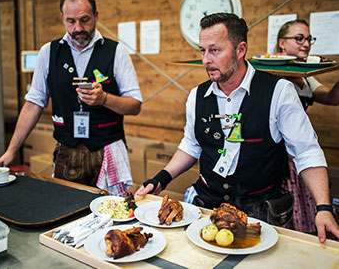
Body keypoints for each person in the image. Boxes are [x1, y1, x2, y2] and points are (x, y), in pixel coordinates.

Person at [136, 13, 339, 243]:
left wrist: (324, 207)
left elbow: (307, 152)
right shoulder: (197, 95)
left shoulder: (279, 91)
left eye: (215, 50)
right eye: (202, 51)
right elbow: (191, 146)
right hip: (206, 209)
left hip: (259, 217)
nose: (205, 60)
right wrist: (161, 178)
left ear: (240, 49)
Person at [0, 0, 142, 196]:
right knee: (67, 212)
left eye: (85, 20)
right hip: (67, 151)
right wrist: (12, 150)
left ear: (96, 16)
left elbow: (134, 105)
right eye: (70, 21)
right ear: (62, 18)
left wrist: (104, 99)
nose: (78, 28)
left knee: (112, 215)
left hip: (108, 150)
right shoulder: (48, 52)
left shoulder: (116, 52)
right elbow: (34, 103)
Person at [275, 19, 339, 234]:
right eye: (299, 38)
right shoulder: (271, 75)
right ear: (282, 43)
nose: (306, 44)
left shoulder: (305, 77)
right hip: (276, 152)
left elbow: (332, 98)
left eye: (308, 39)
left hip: (298, 150)